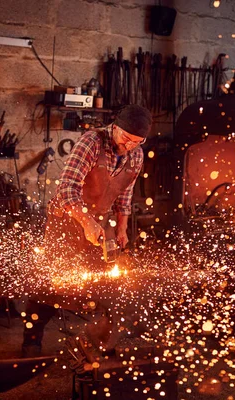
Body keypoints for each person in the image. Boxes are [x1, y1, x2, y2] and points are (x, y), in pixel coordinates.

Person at [22, 104, 152, 356]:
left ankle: (102, 338)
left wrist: (122, 228)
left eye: (136, 142)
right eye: (125, 138)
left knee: (102, 282)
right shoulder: (91, 142)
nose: (128, 146)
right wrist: (87, 222)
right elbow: (67, 188)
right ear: (114, 127)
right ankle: (32, 338)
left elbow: (124, 193)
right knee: (52, 284)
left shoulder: (136, 155)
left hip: (97, 222)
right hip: (66, 221)